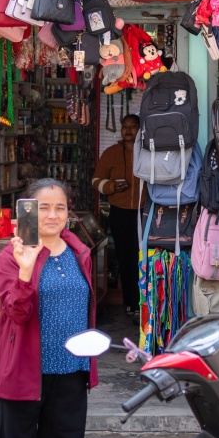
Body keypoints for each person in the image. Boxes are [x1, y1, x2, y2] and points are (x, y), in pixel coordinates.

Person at [0, 178, 98, 438]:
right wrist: (26, 270)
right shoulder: (11, 257)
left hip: (72, 372)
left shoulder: (80, 253)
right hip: (25, 371)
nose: (53, 215)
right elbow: (16, 314)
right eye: (44, 208)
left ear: (68, 213)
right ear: (28, 211)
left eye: (60, 208)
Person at [92, 114, 143, 315]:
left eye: (133, 126)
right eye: (125, 126)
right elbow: (95, 180)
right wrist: (112, 186)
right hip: (119, 212)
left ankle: (142, 302)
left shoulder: (148, 153)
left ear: (140, 130)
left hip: (143, 212)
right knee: (125, 258)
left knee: (141, 258)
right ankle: (129, 303)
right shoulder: (111, 153)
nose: (129, 130)